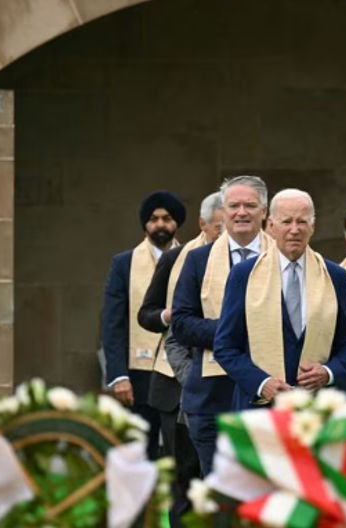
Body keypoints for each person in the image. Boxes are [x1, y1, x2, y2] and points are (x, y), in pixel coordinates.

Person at [213, 188, 346, 410]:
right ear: (271, 226)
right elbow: (225, 347)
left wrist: (327, 373)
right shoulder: (244, 275)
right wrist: (262, 383)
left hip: (317, 410)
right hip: (259, 408)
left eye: (302, 222)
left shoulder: (335, 276)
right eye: (287, 222)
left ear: (312, 227)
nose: (294, 230)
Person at [171, 176, 272, 474]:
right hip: (211, 399)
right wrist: (235, 332)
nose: (242, 212)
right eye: (234, 205)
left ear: (264, 212)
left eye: (250, 205)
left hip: (267, 392)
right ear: (224, 211)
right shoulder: (197, 260)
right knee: (221, 500)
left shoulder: (283, 258)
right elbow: (181, 324)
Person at [136, 191, 222, 526]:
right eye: (218, 227)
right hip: (177, 383)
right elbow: (146, 313)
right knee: (184, 475)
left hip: (226, 382)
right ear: (203, 224)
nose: (224, 233)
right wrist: (172, 315)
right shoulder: (178, 259)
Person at [101, 190, 185, 459]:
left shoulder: (192, 258)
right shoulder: (123, 264)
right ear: (144, 224)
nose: (160, 224)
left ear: (177, 223)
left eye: (167, 218)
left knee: (180, 452)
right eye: (153, 219)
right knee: (138, 454)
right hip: (138, 375)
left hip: (179, 371)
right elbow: (113, 323)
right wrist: (118, 375)